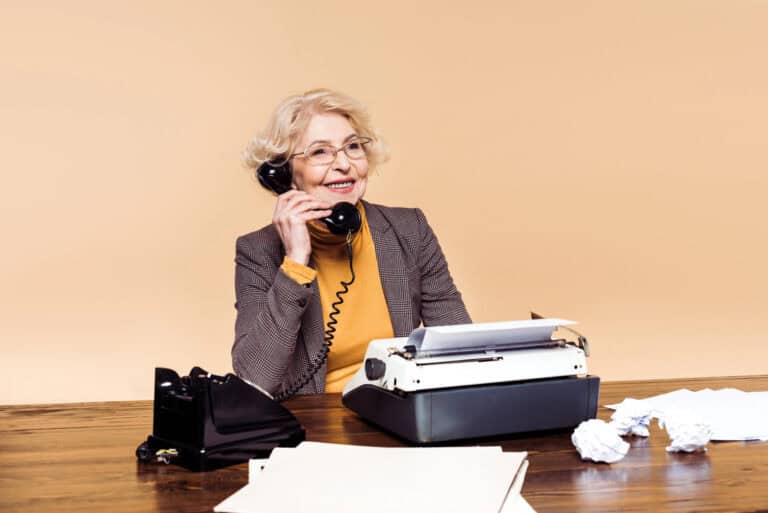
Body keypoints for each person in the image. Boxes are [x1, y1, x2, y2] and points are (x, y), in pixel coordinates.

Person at [233, 88, 470, 399]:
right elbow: (255, 380)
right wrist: (295, 263)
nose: (343, 164)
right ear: (284, 174)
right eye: (320, 152)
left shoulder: (409, 229)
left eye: (352, 147)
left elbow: (460, 349)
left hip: (399, 412)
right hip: (313, 426)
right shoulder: (258, 251)